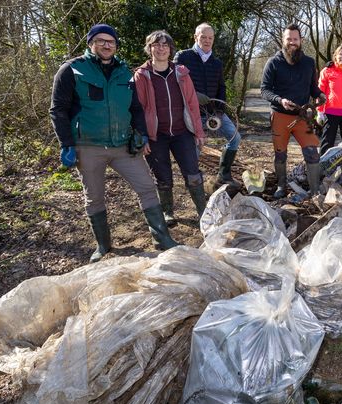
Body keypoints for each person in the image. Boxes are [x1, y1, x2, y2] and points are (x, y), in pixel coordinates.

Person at [49, 24, 177, 263]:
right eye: (101, 41)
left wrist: (141, 133)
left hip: (122, 145)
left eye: (111, 42)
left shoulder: (124, 72)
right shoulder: (72, 70)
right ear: (91, 43)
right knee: (94, 197)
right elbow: (58, 110)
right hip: (88, 147)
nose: (107, 45)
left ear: (116, 45)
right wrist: (66, 143)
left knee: (147, 187)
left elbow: (136, 107)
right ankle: (103, 246)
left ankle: (163, 239)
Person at [133, 30, 207, 226]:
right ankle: (168, 212)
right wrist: (142, 137)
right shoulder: (142, 75)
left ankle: (204, 213)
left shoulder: (181, 72)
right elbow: (137, 108)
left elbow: (192, 104)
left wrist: (198, 131)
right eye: (156, 45)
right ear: (149, 49)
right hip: (156, 135)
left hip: (182, 132)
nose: (161, 48)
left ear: (170, 49)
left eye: (165, 45)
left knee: (193, 174)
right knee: (163, 177)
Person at [260, 24, 325, 198]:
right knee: (280, 154)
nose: (292, 42)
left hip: (302, 116)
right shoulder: (273, 62)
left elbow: (313, 87)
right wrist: (280, 100)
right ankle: (281, 186)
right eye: (289, 39)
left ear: (301, 41)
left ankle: (315, 191)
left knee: (312, 153)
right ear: (283, 40)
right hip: (280, 116)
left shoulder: (309, 63)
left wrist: (319, 94)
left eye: (295, 39)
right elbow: (264, 90)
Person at [174, 23, 242, 189]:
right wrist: (193, 95)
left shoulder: (216, 63)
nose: (207, 40)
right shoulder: (183, 57)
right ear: (196, 37)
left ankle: (223, 175)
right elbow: (173, 81)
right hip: (190, 114)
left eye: (210, 38)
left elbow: (221, 87)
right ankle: (195, 183)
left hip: (213, 112)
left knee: (235, 138)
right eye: (203, 37)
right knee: (195, 150)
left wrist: (219, 112)